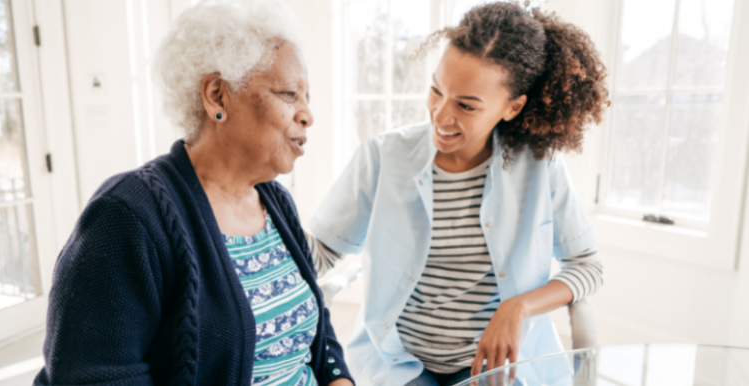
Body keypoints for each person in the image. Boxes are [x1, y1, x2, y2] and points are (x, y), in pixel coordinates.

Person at [34, 1, 353, 385]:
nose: (307, 115)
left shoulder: (275, 201)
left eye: (307, 98)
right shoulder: (128, 215)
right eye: (288, 94)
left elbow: (315, 330)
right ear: (217, 96)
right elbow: (95, 376)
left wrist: (339, 379)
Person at [307, 2, 609, 385]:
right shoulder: (382, 157)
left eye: (466, 106)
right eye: (436, 90)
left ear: (512, 108)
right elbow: (321, 251)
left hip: (499, 370)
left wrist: (518, 308)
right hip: (401, 365)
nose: (440, 115)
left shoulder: (540, 165)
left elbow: (588, 266)